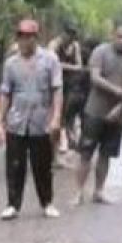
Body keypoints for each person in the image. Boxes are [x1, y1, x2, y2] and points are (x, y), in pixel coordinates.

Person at [0, 18, 63, 221]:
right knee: (15, 165)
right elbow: (5, 92)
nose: (25, 41)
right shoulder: (11, 64)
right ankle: (12, 204)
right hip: (17, 120)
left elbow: (57, 89)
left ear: (36, 38)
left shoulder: (50, 60)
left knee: (42, 165)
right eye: (22, 37)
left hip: (40, 120)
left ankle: (47, 202)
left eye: (29, 37)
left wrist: (56, 117)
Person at [75, 20, 122, 205]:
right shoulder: (100, 52)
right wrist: (119, 92)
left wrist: (121, 105)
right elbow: (95, 78)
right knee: (86, 152)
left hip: (117, 113)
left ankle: (99, 190)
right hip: (94, 109)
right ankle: (79, 191)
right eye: (119, 37)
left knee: (106, 153)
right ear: (113, 35)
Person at [49, 25, 87, 160]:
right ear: (63, 34)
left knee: (61, 119)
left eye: (72, 36)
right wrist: (71, 67)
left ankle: (54, 155)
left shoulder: (75, 46)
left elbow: (80, 65)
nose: (70, 39)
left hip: (67, 86)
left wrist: (65, 66)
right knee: (52, 118)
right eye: (68, 35)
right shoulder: (54, 45)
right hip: (52, 87)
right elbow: (52, 64)